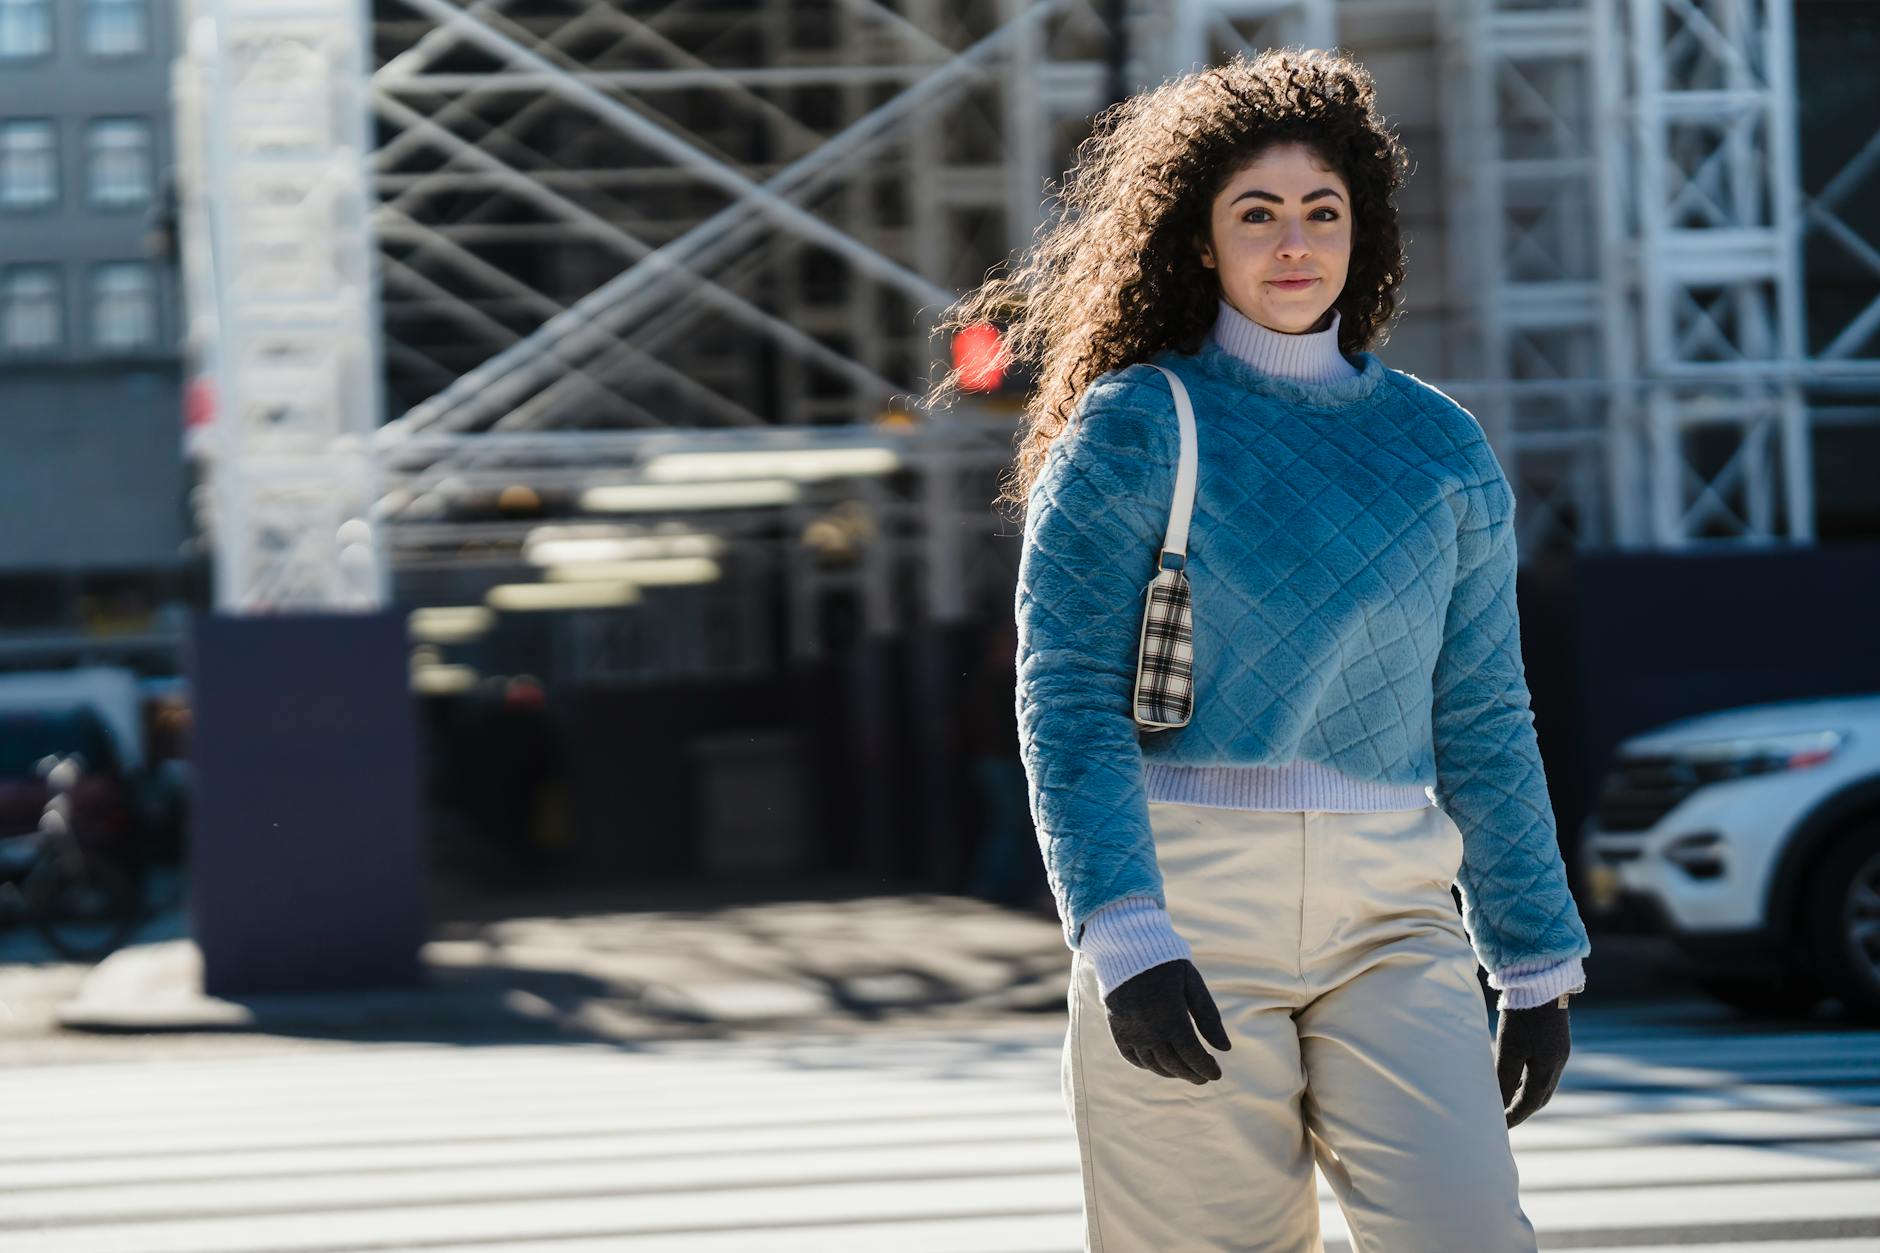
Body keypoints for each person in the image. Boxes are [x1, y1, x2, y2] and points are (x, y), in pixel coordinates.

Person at [926, 47, 1590, 1251]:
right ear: (1199, 241)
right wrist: (1121, 929)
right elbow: (1065, 693)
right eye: (1256, 213)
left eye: (1320, 211)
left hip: (1393, 911)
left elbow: (1483, 712)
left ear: (1361, 230)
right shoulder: (1132, 424)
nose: (1294, 242)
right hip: (1186, 903)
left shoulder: (1437, 447)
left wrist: (1534, 956)